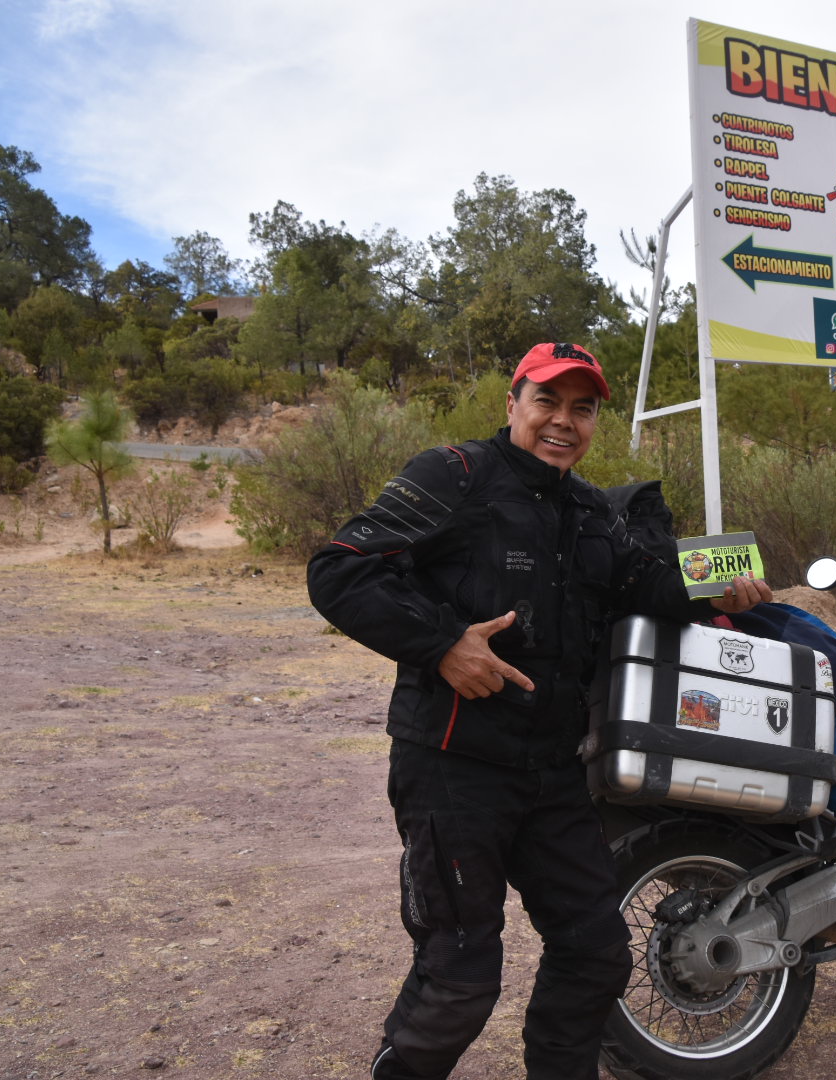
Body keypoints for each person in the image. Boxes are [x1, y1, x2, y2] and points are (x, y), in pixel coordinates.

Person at [307, 342, 772, 1080]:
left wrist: (727, 578)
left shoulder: (587, 508)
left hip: (553, 776)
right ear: (512, 404)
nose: (563, 422)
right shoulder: (454, 474)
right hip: (453, 770)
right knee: (460, 977)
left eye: (581, 409)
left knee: (594, 956)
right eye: (547, 402)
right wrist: (442, 645)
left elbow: (647, 585)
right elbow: (337, 569)